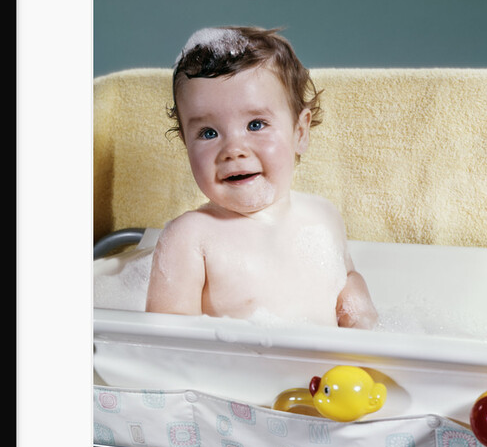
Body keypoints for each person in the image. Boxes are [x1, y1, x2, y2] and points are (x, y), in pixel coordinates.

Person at [145, 26, 378, 329]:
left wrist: (358, 312)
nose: (233, 150)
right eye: (208, 133)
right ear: (185, 143)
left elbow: (346, 277)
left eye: (256, 124)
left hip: (322, 375)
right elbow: (165, 341)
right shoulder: (190, 237)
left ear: (300, 132)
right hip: (234, 375)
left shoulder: (323, 216)